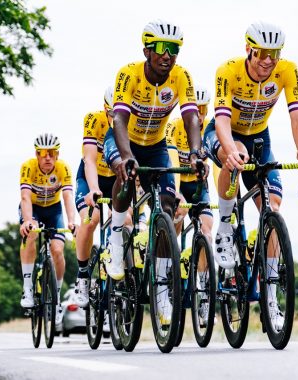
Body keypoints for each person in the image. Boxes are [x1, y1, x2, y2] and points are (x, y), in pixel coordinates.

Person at [203, 21, 298, 329]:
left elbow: (297, 114)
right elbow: (223, 121)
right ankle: (225, 227)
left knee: (274, 209)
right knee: (232, 155)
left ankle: (270, 297)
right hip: (223, 132)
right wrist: (231, 151)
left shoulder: (287, 71)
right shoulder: (227, 71)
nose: (269, 60)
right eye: (263, 53)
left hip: (259, 137)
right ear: (249, 50)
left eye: (275, 53)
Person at [103, 19, 208, 324]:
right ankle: (117, 238)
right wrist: (125, 157)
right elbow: (119, 120)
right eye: (162, 48)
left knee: (168, 205)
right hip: (125, 140)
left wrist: (198, 152)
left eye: (174, 49)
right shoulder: (129, 73)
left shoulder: (181, 76)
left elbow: (191, 119)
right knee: (124, 174)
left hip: (157, 144)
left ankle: (162, 289)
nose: (168, 55)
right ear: (147, 49)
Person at [19, 133, 78, 326]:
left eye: (51, 153)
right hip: (33, 209)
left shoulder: (63, 169)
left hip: (53, 210)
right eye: (43, 153)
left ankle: (57, 298)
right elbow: (26, 197)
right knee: (31, 235)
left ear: (57, 154)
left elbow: (68, 196)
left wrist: (71, 221)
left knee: (58, 250)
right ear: (36, 154)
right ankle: (28, 287)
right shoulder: (28, 167)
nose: (47, 157)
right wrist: (28, 221)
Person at [73, 87, 116, 308]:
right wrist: (93, 189)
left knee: (126, 219)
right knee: (91, 220)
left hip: (115, 178)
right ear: (105, 109)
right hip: (92, 178)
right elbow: (89, 159)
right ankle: (82, 276)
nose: (114, 120)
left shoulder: (130, 123)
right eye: (111, 114)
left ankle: (116, 256)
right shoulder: (93, 119)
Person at [166, 85, 213, 242]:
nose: (199, 114)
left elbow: (219, 164)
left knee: (206, 230)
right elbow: (172, 160)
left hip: (197, 184)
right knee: (179, 211)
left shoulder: (210, 127)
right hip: (177, 181)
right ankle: (168, 253)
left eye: (203, 109)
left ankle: (200, 267)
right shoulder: (173, 126)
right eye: (195, 109)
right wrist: (176, 191)